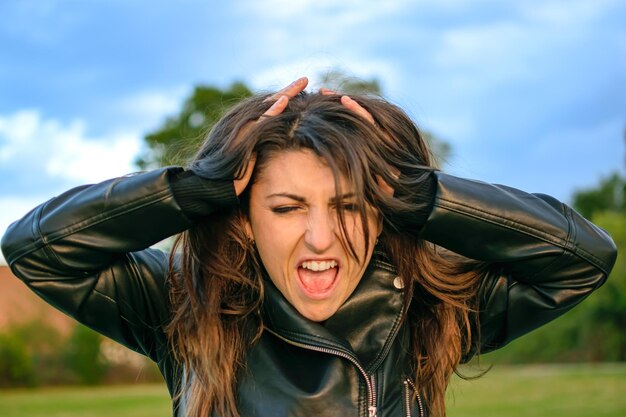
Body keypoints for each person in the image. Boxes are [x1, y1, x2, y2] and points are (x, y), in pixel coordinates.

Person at [0, 77, 617, 417]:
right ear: (243, 218)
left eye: (349, 206)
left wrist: (425, 196)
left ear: (383, 213)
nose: (320, 238)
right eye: (287, 207)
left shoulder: (432, 307)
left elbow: (581, 257)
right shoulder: (184, 303)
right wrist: (191, 190)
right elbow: (36, 249)